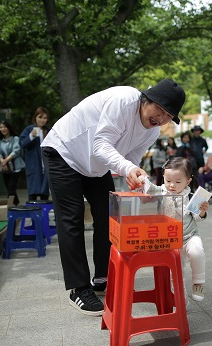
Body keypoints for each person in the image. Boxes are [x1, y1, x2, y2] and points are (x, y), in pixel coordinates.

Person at [41, 78, 186, 316]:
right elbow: (101, 145)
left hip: (95, 164)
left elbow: (131, 158)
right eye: (159, 109)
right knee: (72, 219)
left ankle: (102, 277)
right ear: (146, 99)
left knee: (110, 215)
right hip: (64, 151)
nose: (160, 118)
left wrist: (139, 183)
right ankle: (78, 288)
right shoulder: (123, 100)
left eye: (168, 115)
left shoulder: (153, 131)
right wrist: (128, 169)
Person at [147, 157, 209, 301]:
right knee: (175, 272)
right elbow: (149, 188)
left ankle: (198, 283)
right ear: (163, 177)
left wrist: (202, 211)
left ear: (188, 181)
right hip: (170, 240)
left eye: (178, 182)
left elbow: (198, 218)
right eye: (168, 181)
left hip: (189, 236)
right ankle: (180, 299)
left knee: (197, 251)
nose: (172, 185)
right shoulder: (162, 191)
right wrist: (141, 179)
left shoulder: (192, 197)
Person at [20, 107, 51, 201]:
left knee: (45, 193)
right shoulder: (29, 129)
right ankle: (32, 214)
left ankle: (44, 214)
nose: (42, 120)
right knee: (33, 192)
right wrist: (31, 136)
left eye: (45, 118)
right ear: (35, 117)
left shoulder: (49, 131)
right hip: (33, 165)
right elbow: (22, 143)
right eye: (40, 117)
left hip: (45, 164)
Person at [0, 121, 25, 205]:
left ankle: (11, 208)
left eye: (4, 127)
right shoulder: (0, 141)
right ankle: (17, 205)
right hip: (5, 168)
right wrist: (2, 161)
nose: (3, 129)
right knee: (9, 189)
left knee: (11, 189)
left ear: (8, 128)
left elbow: (16, 151)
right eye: (1, 127)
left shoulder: (15, 139)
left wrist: (6, 160)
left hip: (16, 167)